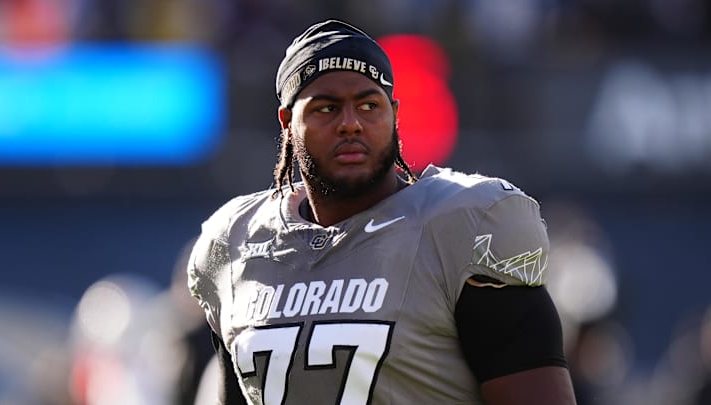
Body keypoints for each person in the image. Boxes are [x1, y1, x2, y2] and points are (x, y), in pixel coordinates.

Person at [187, 19, 577, 405]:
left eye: (369, 105)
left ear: (393, 114)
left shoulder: (464, 224)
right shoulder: (236, 243)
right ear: (288, 123)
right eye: (327, 108)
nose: (351, 124)